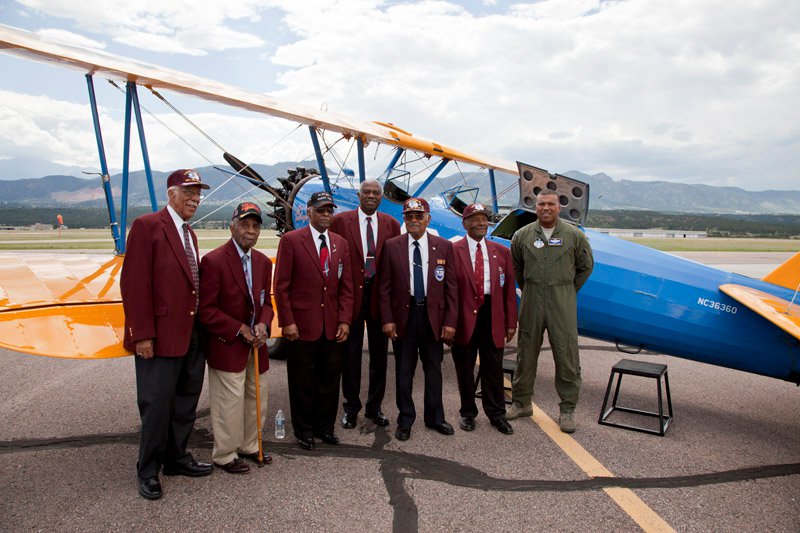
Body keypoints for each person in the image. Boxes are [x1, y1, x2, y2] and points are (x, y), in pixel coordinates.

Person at [120, 168, 213, 501]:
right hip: (158, 335)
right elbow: (133, 284)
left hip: (189, 332)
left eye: (198, 193)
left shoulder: (190, 233)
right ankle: (148, 470)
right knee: (157, 405)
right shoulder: (148, 227)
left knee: (185, 401)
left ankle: (176, 458)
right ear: (171, 193)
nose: (195, 198)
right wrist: (142, 334)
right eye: (189, 191)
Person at [505, 189, 594, 433]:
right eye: (541, 203)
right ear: (536, 207)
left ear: (559, 207)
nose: (546, 208)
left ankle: (567, 409)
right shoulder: (522, 235)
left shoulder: (574, 236)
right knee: (526, 354)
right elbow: (517, 268)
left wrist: (565, 289)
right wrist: (532, 288)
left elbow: (586, 267)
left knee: (566, 355)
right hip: (532, 297)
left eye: (550, 204)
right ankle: (521, 403)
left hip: (562, 299)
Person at [273, 191, 354, 451]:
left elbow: (346, 287)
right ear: (309, 212)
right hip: (302, 326)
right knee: (302, 381)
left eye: (330, 210)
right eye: (320, 210)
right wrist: (287, 321)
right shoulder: (291, 240)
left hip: (331, 325)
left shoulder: (340, 244)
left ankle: (325, 428)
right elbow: (281, 286)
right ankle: (304, 430)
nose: (326, 215)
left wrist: (344, 320)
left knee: (330, 380)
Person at [198, 202, 273, 474]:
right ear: (232, 227)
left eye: (255, 226)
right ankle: (226, 454)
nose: (250, 231)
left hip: (257, 346)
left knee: (257, 397)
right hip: (228, 345)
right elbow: (206, 310)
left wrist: (264, 324)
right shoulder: (214, 261)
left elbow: (267, 303)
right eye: (244, 225)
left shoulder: (264, 263)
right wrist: (239, 328)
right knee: (228, 403)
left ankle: (250, 445)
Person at [380, 197, 457, 441]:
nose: (414, 220)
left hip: (432, 316)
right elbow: (384, 288)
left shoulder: (444, 246)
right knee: (404, 372)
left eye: (418, 215)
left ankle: (435, 417)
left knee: (434, 369)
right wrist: (387, 319)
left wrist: (450, 321)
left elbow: (451, 289)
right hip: (404, 315)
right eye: (409, 216)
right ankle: (405, 419)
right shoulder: (392, 245)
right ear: (404, 218)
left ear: (428, 219)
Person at [330, 179, 401, 430]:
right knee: (350, 356)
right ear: (358, 195)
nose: (371, 196)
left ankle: (374, 407)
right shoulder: (341, 221)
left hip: (380, 298)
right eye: (367, 192)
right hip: (352, 296)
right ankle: (351, 408)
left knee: (380, 357)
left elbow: (395, 264)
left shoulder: (391, 224)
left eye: (376, 193)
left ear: (381, 197)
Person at [451, 203, 517, 435]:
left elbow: (509, 290)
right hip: (464, 315)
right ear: (465, 223)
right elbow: (448, 290)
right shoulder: (453, 250)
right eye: (475, 219)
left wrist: (511, 322)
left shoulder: (502, 252)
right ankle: (467, 412)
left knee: (493, 367)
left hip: (492, 313)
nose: (481, 223)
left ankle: (496, 414)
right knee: (465, 368)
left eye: (484, 219)